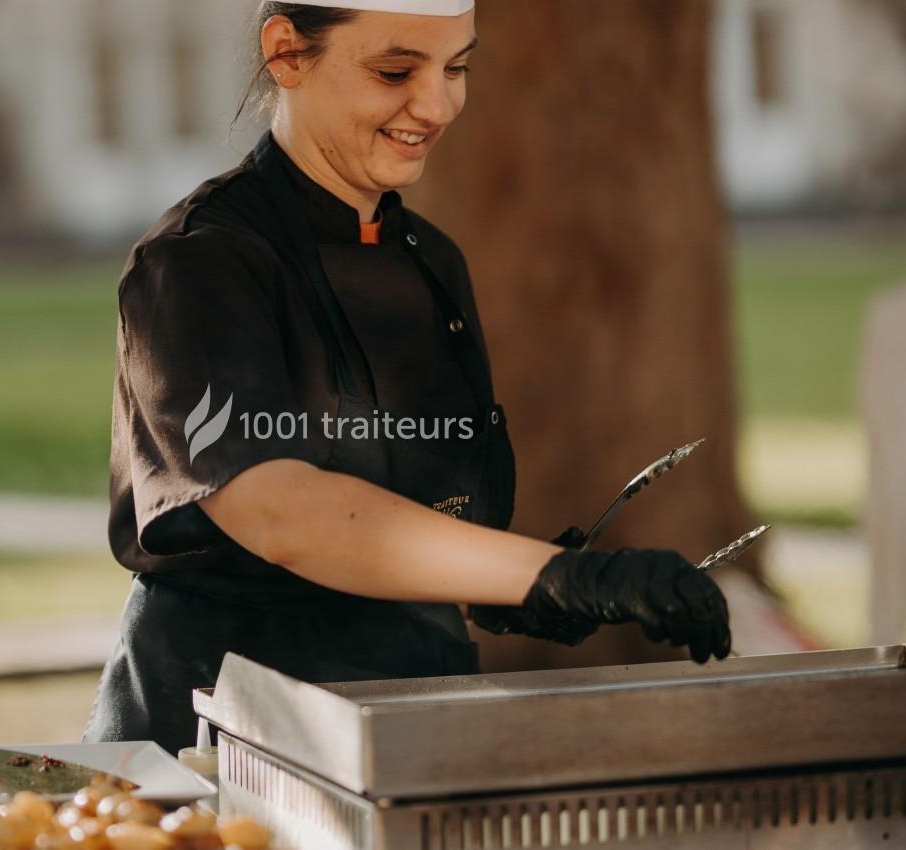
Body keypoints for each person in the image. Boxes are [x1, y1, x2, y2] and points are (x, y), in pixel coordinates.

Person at [84, 0, 731, 752]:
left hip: (411, 726)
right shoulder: (196, 265)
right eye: (395, 70)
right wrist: (547, 573)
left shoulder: (432, 261)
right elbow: (281, 511)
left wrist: (502, 593)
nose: (437, 103)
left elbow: (413, 512)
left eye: (457, 67)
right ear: (287, 53)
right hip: (223, 735)